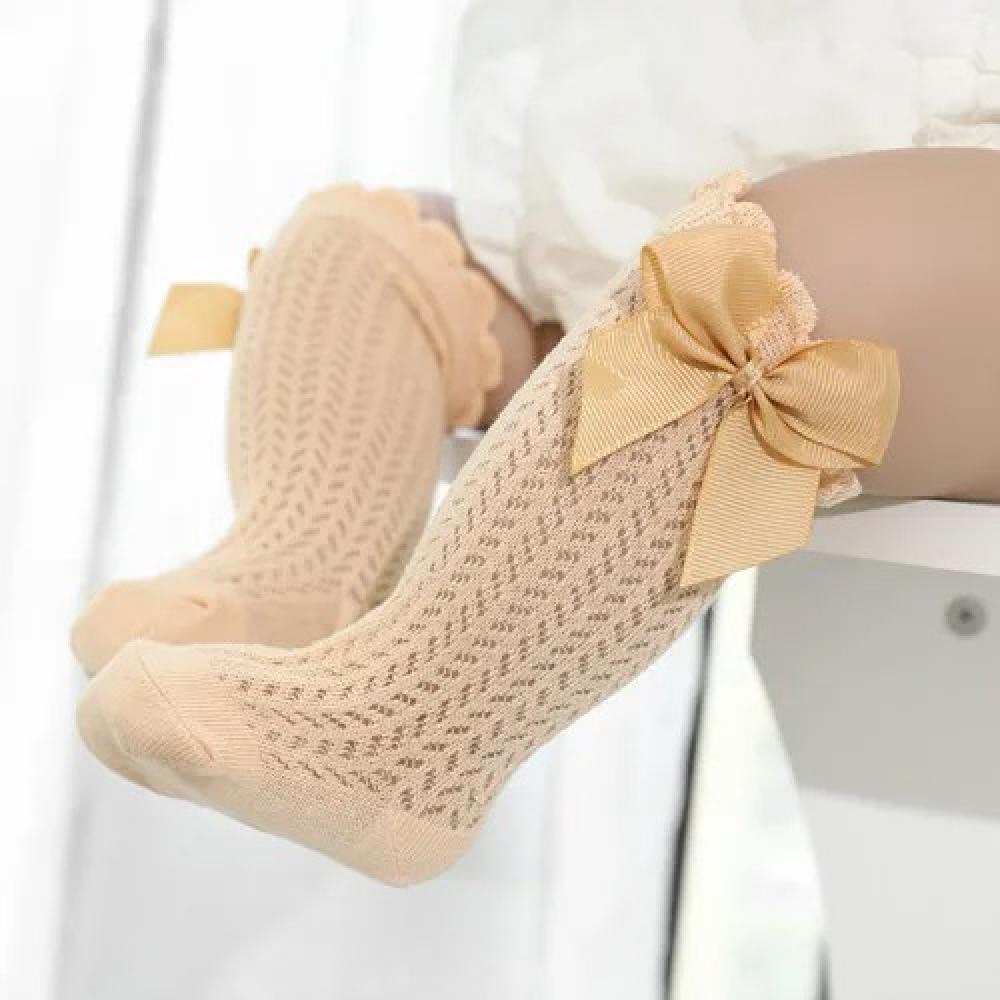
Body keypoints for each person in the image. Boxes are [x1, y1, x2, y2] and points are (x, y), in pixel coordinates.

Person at [72, 2, 1000, 884]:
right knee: (359, 252)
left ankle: (405, 735)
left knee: (743, 296)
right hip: (644, 177)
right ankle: (291, 579)